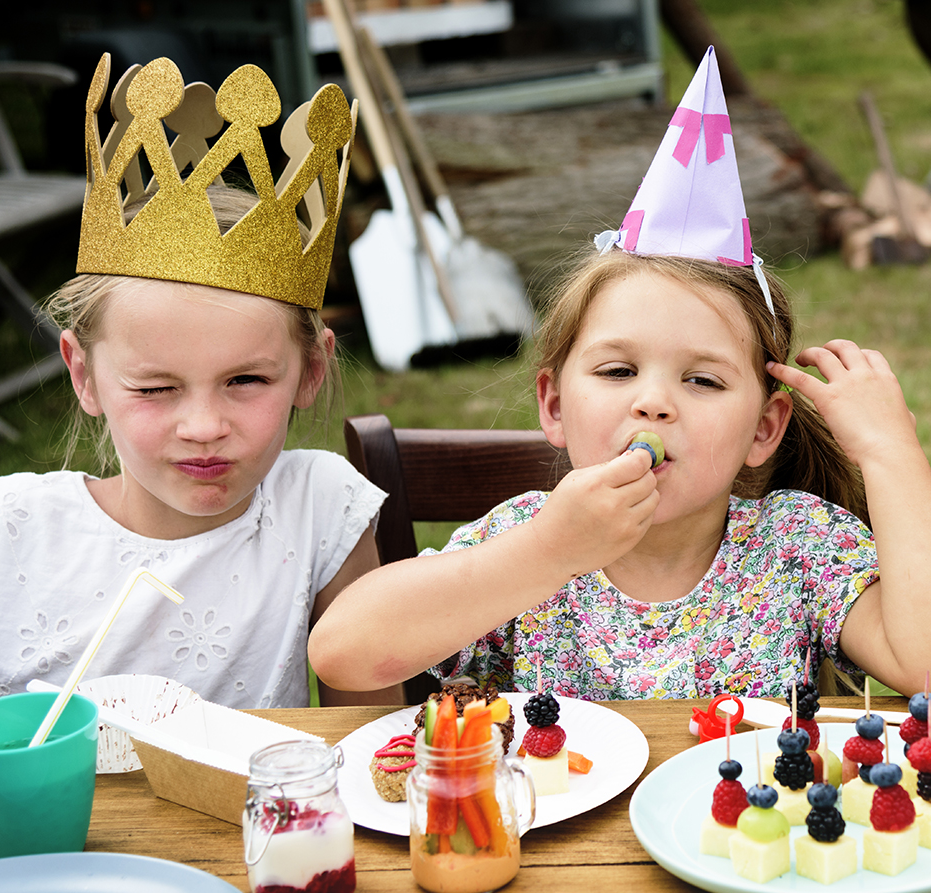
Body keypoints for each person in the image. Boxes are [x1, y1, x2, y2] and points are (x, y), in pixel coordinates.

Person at [308, 50, 931, 701]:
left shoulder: (795, 547)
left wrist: (890, 454)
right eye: (618, 370)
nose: (655, 403)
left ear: (764, 428)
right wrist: (548, 552)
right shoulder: (521, 538)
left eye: (704, 381)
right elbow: (342, 653)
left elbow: (922, 670)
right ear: (553, 404)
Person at [0, 53, 401, 708]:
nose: (204, 427)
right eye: (154, 388)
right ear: (83, 376)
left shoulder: (317, 511)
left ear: (310, 371)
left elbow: (373, 745)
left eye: (246, 380)